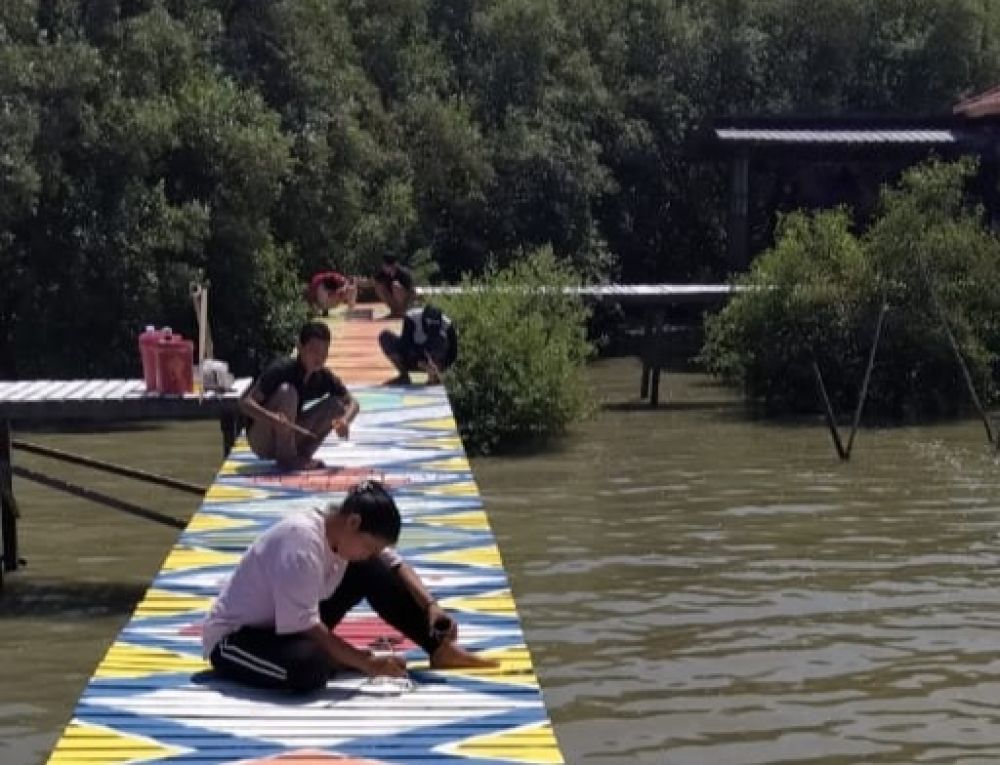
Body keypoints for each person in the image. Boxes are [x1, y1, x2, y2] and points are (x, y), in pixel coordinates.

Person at [202, 480, 495, 693]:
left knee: (374, 569)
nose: (370, 552)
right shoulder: (301, 542)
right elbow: (306, 626)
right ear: (353, 522)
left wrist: (431, 606)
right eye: (369, 545)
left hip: (289, 622)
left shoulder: (344, 539)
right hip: (239, 639)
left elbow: (396, 567)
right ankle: (336, 661)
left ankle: (440, 650)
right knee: (309, 667)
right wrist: (366, 664)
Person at [240, 321, 358, 471]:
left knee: (336, 406)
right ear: (300, 347)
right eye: (313, 350)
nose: (319, 358)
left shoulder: (322, 376)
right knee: (287, 392)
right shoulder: (282, 369)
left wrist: (345, 421)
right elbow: (245, 403)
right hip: (262, 438)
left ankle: (302, 455)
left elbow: (353, 402)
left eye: (324, 352)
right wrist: (271, 417)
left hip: (286, 432)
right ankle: (287, 458)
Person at [379, 304, 457, 385]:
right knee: (385, 337)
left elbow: (453, 352)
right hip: (413, 357)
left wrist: (441, 367)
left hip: (434, 360)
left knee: (442, 341)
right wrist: (420, 362)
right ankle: (404, 376)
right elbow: (405, 345)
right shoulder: (411, 317)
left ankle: (435, 376)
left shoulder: (447, 325)